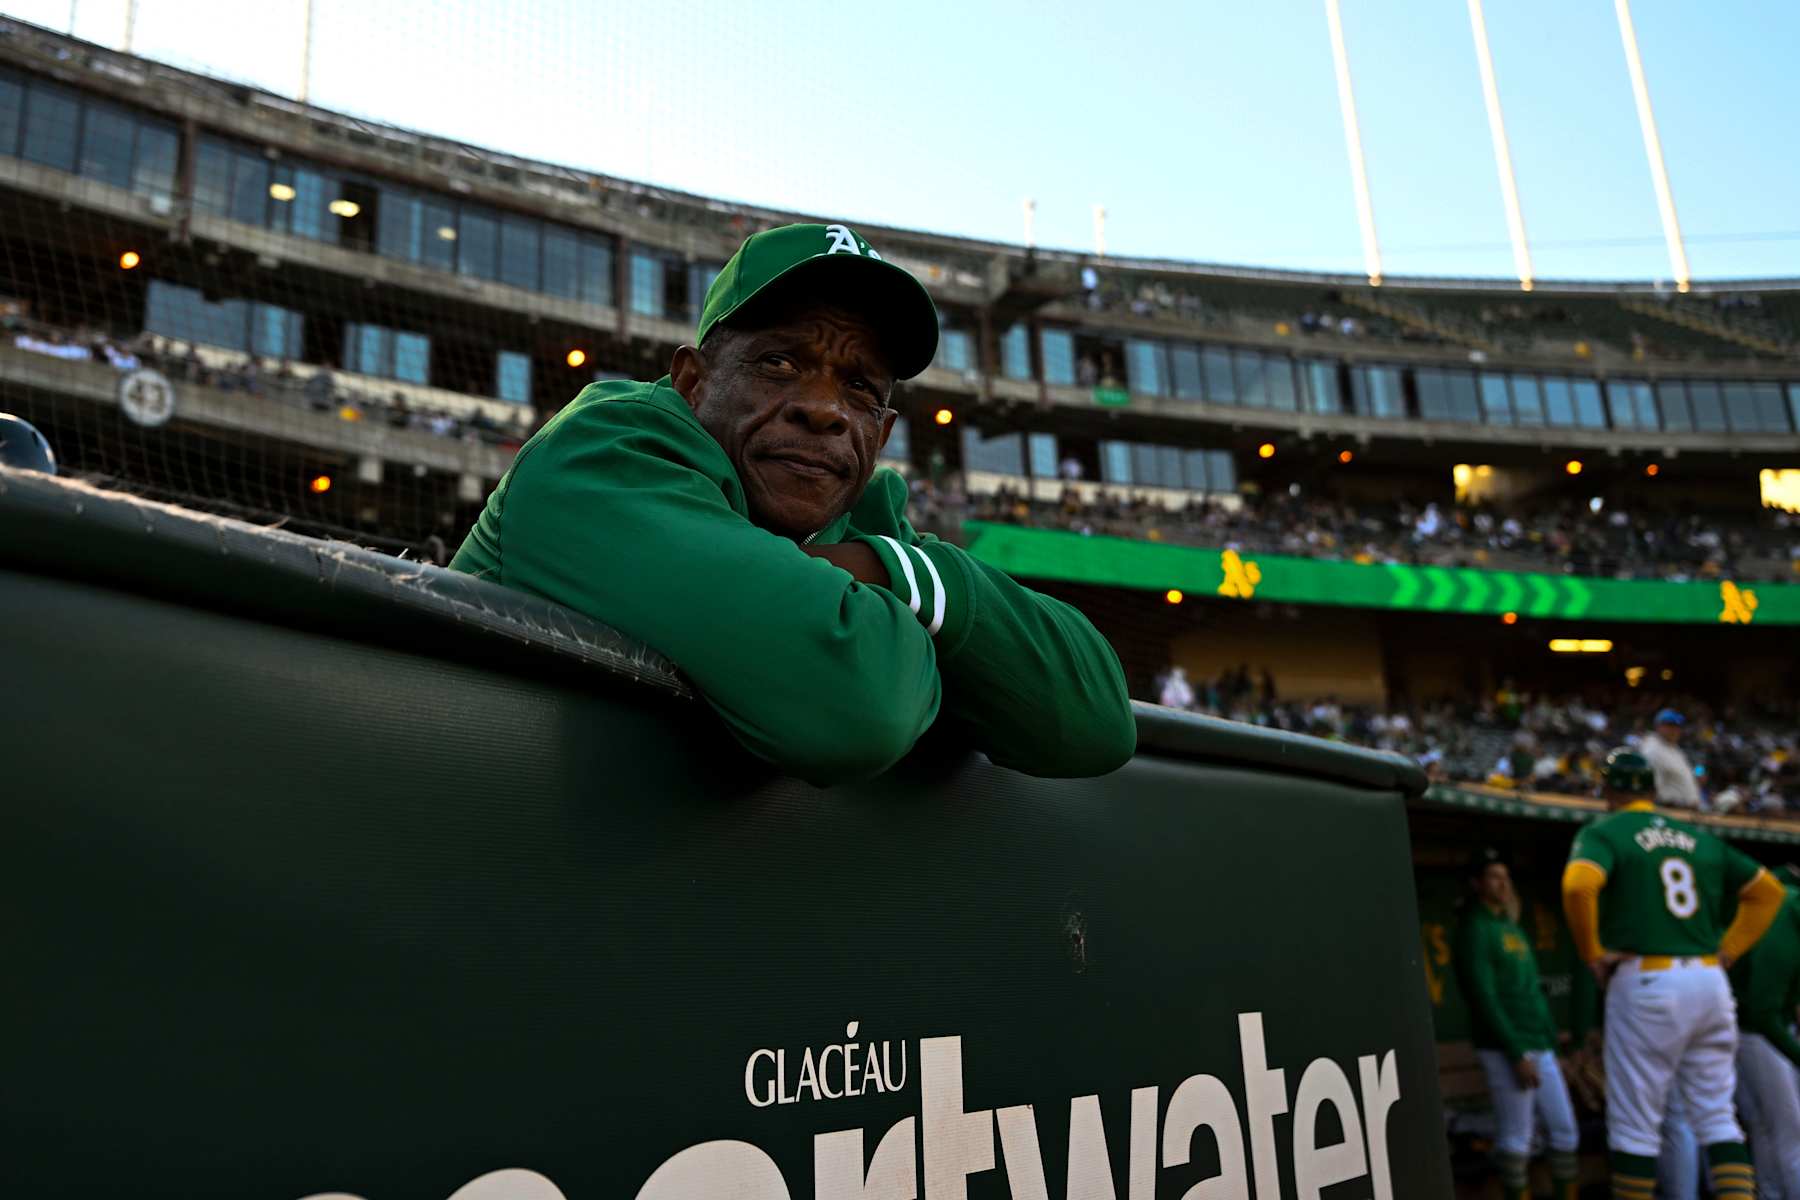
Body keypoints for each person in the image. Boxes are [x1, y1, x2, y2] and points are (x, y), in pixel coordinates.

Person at [450, 222, 1135, 785]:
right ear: (691, 382)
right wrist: (930, 634)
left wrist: (892, 566)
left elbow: (1094, 725)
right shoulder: (602, 451)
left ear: (883, 432)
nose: (823, 409)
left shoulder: (862, 518)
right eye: (779, 362)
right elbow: (860, 704)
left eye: (861, 387)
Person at [1561, 748, 1787, 1200]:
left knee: (1635, 1128)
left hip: (1648, 980)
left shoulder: (1605, 830)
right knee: (1718, 1118)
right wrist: (1727, 951)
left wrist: (1592, 953)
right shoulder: (1697, 836)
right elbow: (1769, 891)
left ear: (1608, 789)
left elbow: (1579, 885)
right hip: (1708, 981)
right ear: (1651, 790)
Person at [1452, 847, 1579, 1200]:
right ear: (1477, 883)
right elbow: (1484, 998)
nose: (1502, 883)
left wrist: (1551, 1045)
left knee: (1565, 1133)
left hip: (1538, 1043)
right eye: (1494, 876)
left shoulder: (1509, 926)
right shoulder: (1474, 929)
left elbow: (1532, 995)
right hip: (1505, 1049)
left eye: (1506, 876)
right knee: (1516, 1140)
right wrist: (1515, 1051)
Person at [1728, 864, 1800, 1198]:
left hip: (1757, 1024)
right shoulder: (1785, 920)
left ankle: (1771, 1193)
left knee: (1764, 1125)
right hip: (1751, 1030)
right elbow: (1763, 1012)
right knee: (1789, 1129)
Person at [1643, 709, 1703, 810]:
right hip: (1669, 810)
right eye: (1670, 726)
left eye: (1678, 726)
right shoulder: (1653, 750)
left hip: (1685, 811)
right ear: (1658, 726)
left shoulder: (1674, 748)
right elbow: (1650, 789)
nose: (1675, 730)